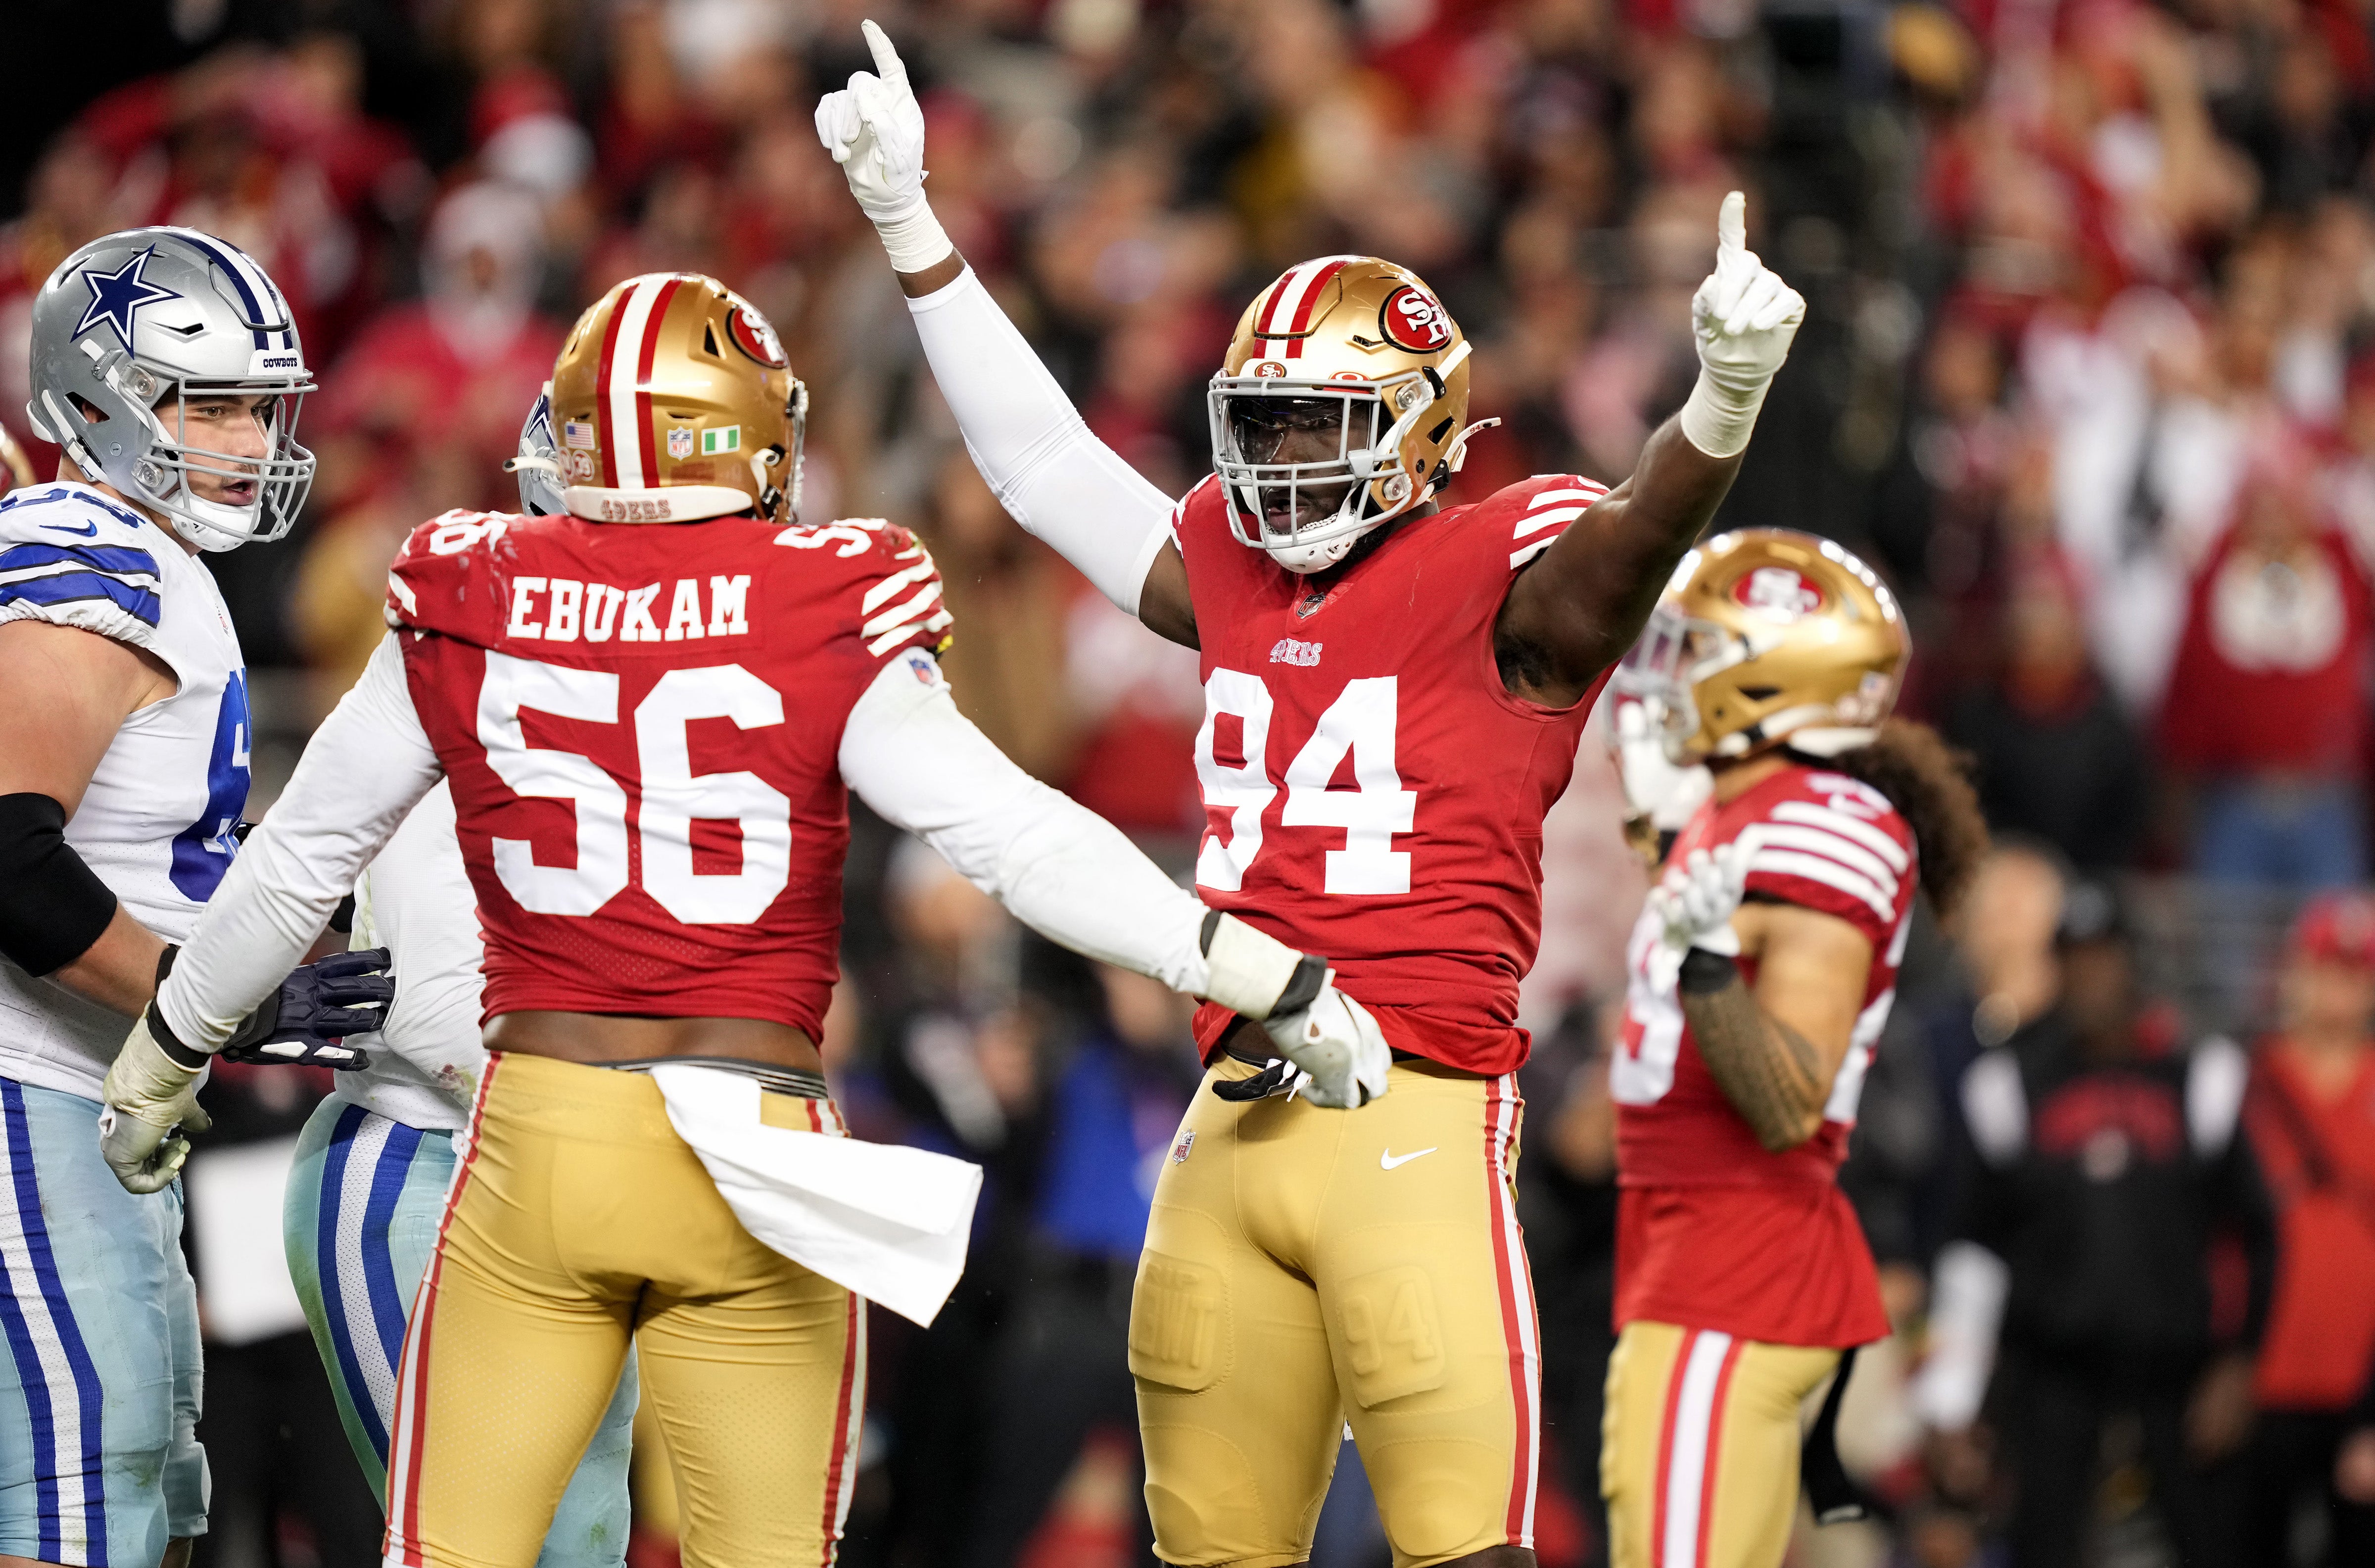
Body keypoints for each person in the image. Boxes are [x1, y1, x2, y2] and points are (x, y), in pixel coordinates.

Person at [96, 270, 1388, 1568]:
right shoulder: (822, 594)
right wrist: (1252, 968)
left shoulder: (469, 587)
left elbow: (295, 862)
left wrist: (161, 1057)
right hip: (752, 1148)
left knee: (457, 1552)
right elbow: (1012, 837)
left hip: (538, 1137)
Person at [818, 24, 1809, 1564]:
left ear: (1421, 427)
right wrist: (912, 227)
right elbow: (1043, 468)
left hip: (1418, 1115)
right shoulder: (1230, 557)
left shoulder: (1505, 567)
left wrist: (1721, 409)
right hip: (1228, 1127)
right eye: (1264, 420)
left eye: (1319, 424)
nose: (1280, 459)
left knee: (1465, 1550)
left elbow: (1625, 548)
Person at [0, 226, 389, 1568]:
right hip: (29, 1091)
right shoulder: (80, 554)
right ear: (99, 397)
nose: (247, 439)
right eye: (209, 404)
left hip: (98, 1102)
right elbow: (8, 854)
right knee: (76, 1503)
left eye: (259, 407)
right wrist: (207, 1002)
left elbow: (146, 848)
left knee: (152, 1500)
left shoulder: (142, 555)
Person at [279, 406, 636, 1568]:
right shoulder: (469, 656)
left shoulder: (665, 695)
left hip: (569, 1173)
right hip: (427, 1164)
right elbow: (439, 1008)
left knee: (581, 1541)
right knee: (479, 1545)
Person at [1600, 529, 1989, 1568]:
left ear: (1771, 675)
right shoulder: (1744, 810)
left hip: (1732, 1261)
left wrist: (1707, 965)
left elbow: (1788, 1103)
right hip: (1686, 1249)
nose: (1662, 676)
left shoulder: (1823, 824)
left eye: (1693, 650)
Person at [1927, 885, 2274, 1568]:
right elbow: (1974, 1251)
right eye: (2077, 961)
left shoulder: (2200, 1078)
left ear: (2135, 964)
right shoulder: (2008, 1086)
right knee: (2046, 1545)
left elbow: (2261, 1233)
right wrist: (1952, 1395)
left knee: (2206, 1544)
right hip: (2052, 1370)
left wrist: (2239, 1365)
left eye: (2105, 959)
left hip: (2177, 1371)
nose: (2092, 978)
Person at [2240, 891, 2375, 1562]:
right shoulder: (2243, 1082)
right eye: (2325, 969)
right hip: (2254, 1382)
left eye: (2355, 973)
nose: (2338, 990)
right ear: (2294, 972)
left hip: (2359, 1388)